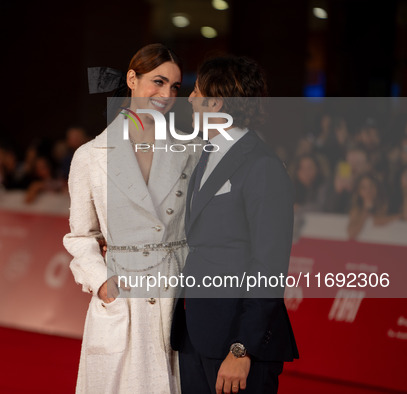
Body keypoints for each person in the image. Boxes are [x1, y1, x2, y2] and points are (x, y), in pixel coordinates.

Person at [63, 43, 199, 393]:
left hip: (176, 295)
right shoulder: (90, 156)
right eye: (158, 82)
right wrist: (102, 283)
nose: (167, 94)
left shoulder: (190, 150)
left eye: (174, 87)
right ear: (132, 80)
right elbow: (81, 236)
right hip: (123, 297)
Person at [170, 56, 299, 394]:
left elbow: (269, 265)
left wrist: (243, 348)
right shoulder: (204, 155)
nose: (190, 99)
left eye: (196, 91)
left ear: (216, 101)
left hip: (237, 344)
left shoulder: (262, 165)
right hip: (195, 333)